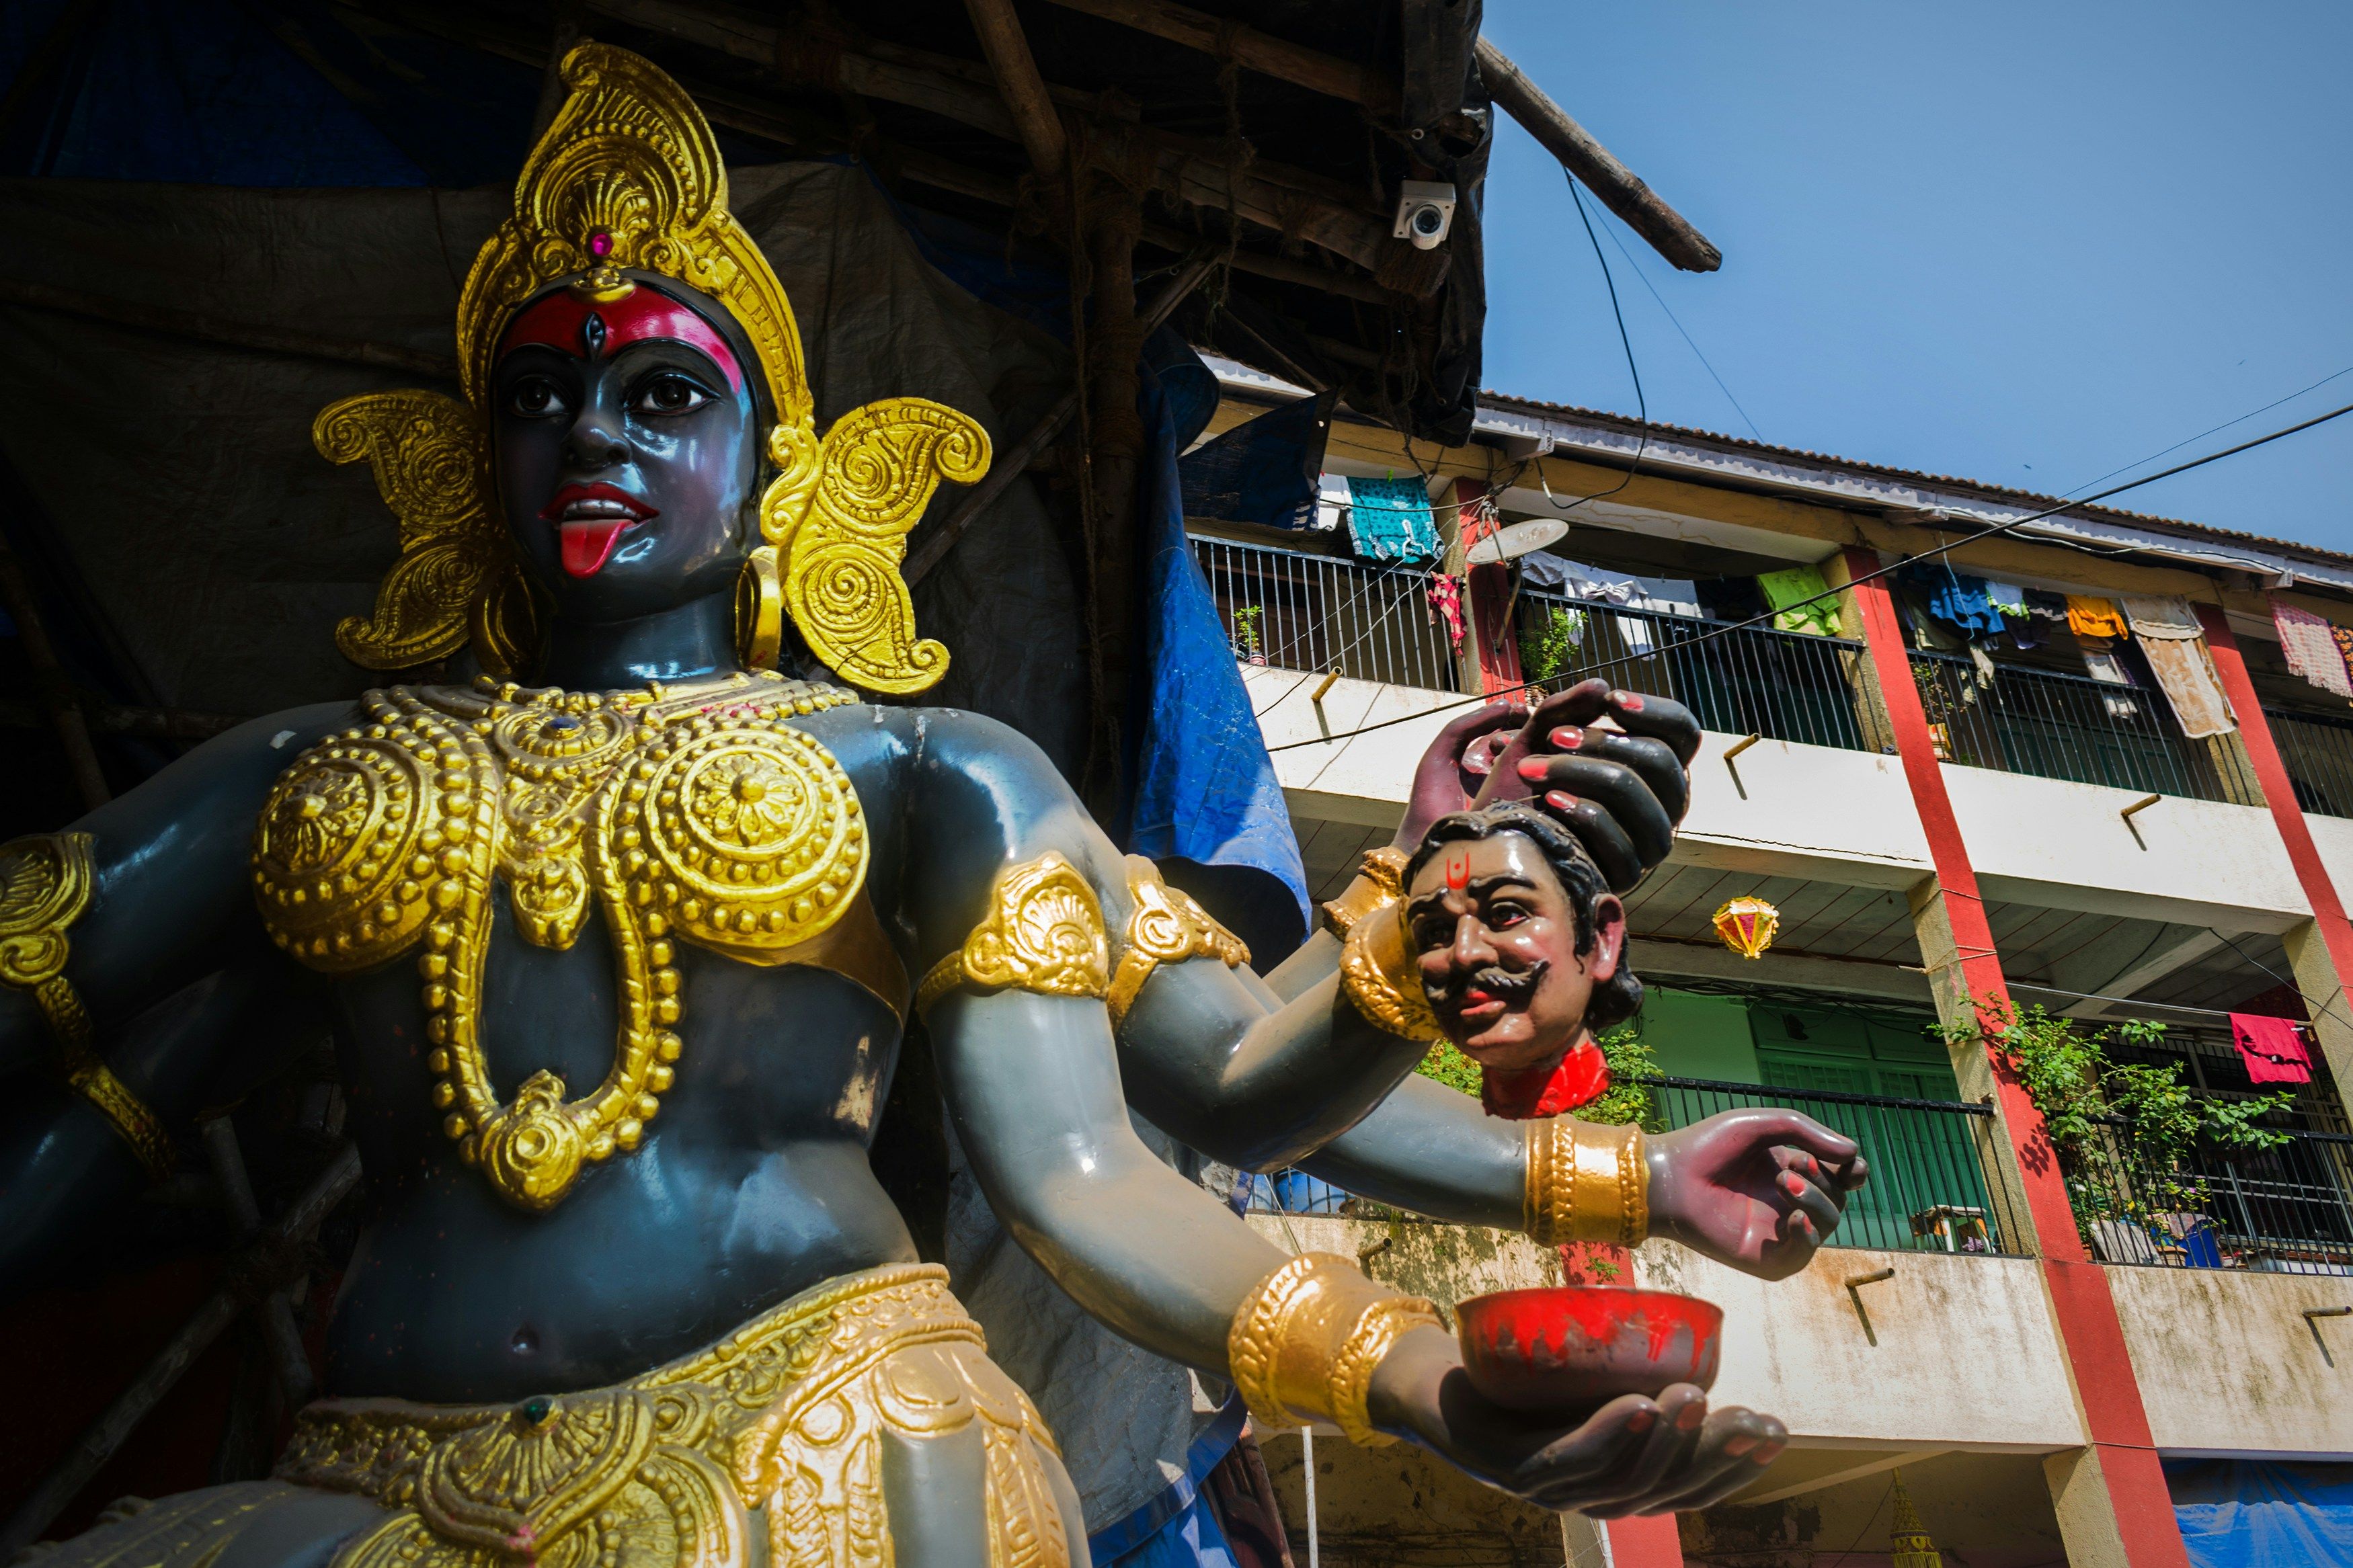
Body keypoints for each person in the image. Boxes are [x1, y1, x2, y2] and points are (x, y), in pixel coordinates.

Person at [0, 44, 1860, 1568]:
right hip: (375, 1493)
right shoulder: (315, 773)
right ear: (467, 458)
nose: (597, 437)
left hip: (812, 1461)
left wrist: (1439, 1357)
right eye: (543, 397)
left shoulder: (927, 771)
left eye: (663, 393)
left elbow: (1136, 1143)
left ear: (777, 464)